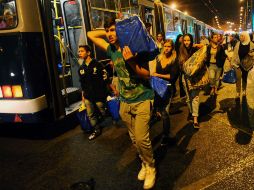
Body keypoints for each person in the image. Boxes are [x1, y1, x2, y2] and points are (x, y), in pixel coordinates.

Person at [87, 17, 156, 189]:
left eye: (112, 30)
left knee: (142, 138)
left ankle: (152, 167)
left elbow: (147, 75)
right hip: (125, 101)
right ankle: (144, 164)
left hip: (142, 98)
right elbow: (90, 35)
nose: (109, 34)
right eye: (108, 31)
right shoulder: (111, 49)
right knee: (134, 139)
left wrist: (131, 60)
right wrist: (110, 29)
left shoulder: (133, 48)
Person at [78, 45, 117, 140]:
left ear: (88, 52)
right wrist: (83, 96)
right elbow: (82, 84)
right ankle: (96, 129)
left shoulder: (97, 64)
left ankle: (109, 115)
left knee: (102, 110)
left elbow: (106, 78)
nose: (79, 53)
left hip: (99, 94)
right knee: (90, 113)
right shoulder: (81, 68)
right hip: (88, 95)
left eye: (82, 51)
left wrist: (114, 89)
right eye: (79, 51)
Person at [150, 39, 178, 146]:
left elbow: (172, 76)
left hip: (168, 88)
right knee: (160, 110)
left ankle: (166, 135)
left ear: (172, 48)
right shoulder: (158, 58)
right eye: (165, 46)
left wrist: (158, 75)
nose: (166, 48)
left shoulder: (174, 60)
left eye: (169, 47)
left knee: (165, 113)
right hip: (157, 87)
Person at [178, 34, 208, 128]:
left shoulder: (195, 50)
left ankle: (195, 118)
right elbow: (179, 65)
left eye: (189, 40)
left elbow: (205, 52)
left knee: (195, 97)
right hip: (185, 78)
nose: (187, 42)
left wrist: (201, 45)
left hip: (195, 78)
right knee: (188, 99)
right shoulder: (180, 51)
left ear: (191, 40)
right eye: (185, 40)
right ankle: (191, 112)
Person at [231, 31, 254, 97]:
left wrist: (252, 54)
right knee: (238, 78)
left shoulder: (251, 44)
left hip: (246, 65)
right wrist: (232, 62)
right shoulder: (238, 44)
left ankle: (244, 90)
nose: (240, 37)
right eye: (240, 36)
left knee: (244, 78)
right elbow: (235, 54)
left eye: (242, 36)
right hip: (237, 64)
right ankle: (238, 91)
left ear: (246, 36)